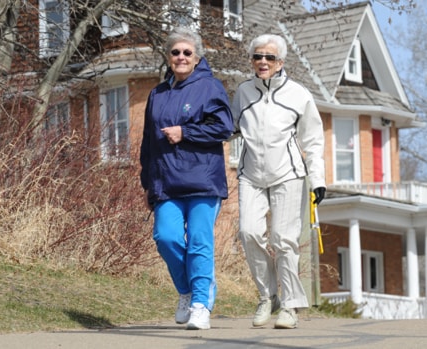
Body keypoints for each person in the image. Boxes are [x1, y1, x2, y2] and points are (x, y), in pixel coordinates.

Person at [140, 27, 233, 330]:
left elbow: (223, 128)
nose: (181, 57)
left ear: (197, 58)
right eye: (175, 52)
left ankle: (201, 305)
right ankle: (188, 290)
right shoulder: (158, 93)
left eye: (187, 53)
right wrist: (148, 182)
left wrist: (185, 132)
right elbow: (148, 142)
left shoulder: (210, 87)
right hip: (166, 181)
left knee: (198, 241)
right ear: (168, 57)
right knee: (165, 238)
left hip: (203, 180)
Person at [231, 34, 326, 329]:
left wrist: (318, 179)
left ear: (281, 62)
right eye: (258, 56)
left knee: (284, 240)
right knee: (248, 232)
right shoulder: (243, 92)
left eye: (269, 58)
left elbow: (314, 139)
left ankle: (290, 306)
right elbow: (229, 128)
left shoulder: (299, 95)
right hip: (251, 174)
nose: (262, 62)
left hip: (288, 175)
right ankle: (266, 295)